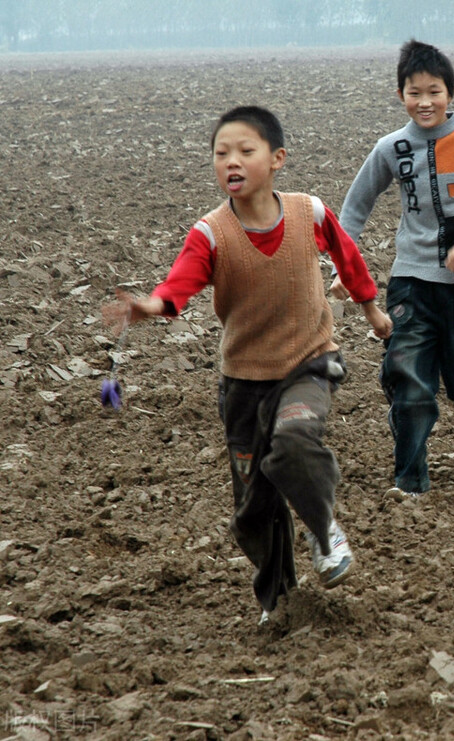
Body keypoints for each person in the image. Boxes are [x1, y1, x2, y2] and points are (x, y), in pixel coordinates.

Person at [103, 106, 393, 614]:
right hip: (243, 384)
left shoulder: (310, 213)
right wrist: (150, 305)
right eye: (221, 154)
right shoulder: (211, 234)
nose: (231, 162)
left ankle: (325, 534)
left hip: (309, 363)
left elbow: (349, 258)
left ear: (277, 158)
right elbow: (180, 284)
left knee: (296, 440)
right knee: (254, 508)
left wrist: (371, 309)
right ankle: (277, 602)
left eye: (245, 151)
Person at [335, 39, 454, 498]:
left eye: (434, 91)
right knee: (410, 383)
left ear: (449, 93)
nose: (425, 102)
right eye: (414, 92)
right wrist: (344, 262)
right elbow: (354, 209)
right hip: (411, 281)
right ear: (401, 95)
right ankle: (410, 482)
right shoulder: (391, 147)